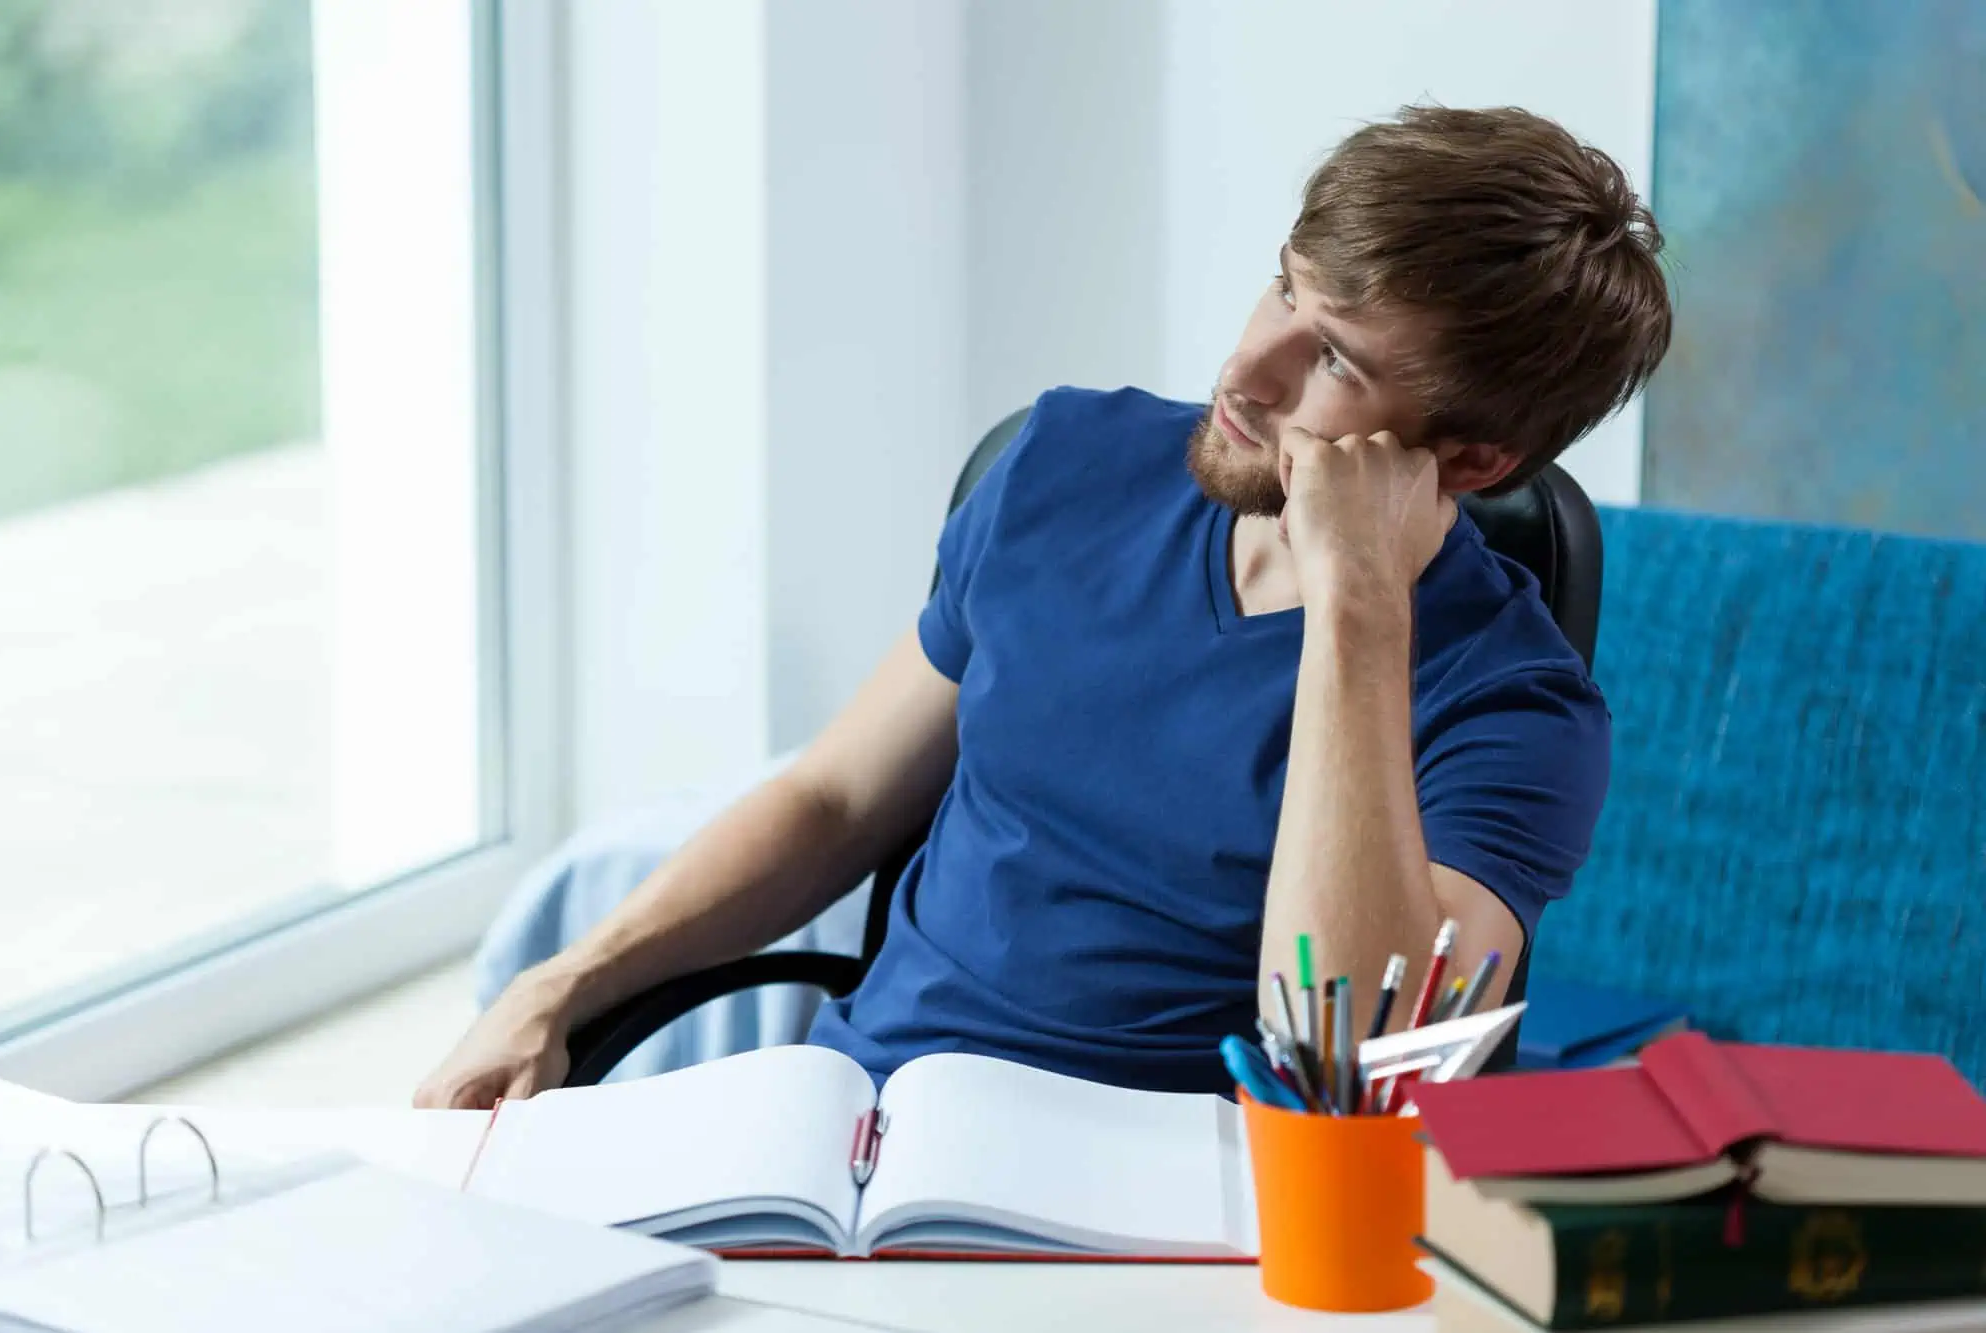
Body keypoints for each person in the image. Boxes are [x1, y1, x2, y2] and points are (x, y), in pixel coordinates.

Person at [417, 104, 1671, 1109]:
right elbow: (835, 798)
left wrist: (1356, 610)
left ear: (1469, 463)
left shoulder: (1516, 707)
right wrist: (560, 986)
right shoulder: (1068, 458)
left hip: (1159, 1227)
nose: (1248, 366)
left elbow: (1340, 1059)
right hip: (856, 1131)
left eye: (1335, 356)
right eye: (1284, 290)